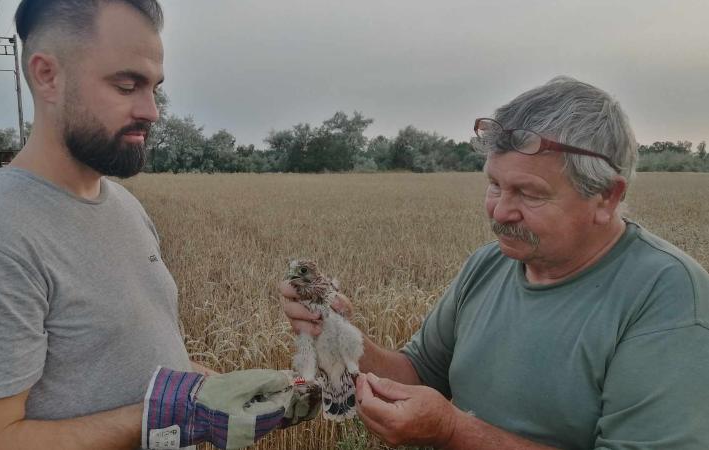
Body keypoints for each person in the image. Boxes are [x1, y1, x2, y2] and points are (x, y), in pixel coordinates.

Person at [0, 1, 316, 449]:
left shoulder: (122, 205)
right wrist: (177, 413)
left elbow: (125, 369)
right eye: (127, 85)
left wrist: (215, 390)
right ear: (47, 75)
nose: (152, 110)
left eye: (155, 88)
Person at [281, 77, 709, 449]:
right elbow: (418, 373)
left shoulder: (667, 297)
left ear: (606, 197)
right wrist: (334, 333)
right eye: (494, 184)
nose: (500, 211)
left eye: (530, 193)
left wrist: (452, 432)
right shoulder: (488, 265)